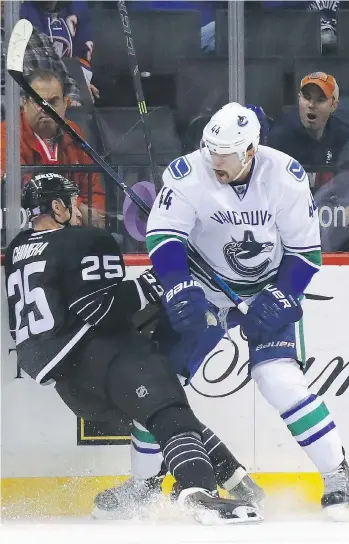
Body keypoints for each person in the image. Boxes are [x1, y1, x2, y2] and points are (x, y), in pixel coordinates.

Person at [4, 172, 260, 525]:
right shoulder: (86, 240)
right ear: (57, 206)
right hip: (100, 354)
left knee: (158, 412)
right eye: (74, 202)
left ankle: (233, 477)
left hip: (70, 384)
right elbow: (103, 311)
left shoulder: (17, 247)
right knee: (167, 403)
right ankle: (200, 493)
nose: (80, 210)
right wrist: (160, 279)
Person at [145, 102, 349, 520]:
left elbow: (306, 253)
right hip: (205, 287)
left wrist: (281, 296)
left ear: (251, 151)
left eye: (226, 154)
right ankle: (141, 484)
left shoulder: (285, 176)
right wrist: (178, 286)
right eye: (211, 150)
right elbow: (164, 235)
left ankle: (337, 475)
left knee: (278, 380)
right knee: (157, 383)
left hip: (266, 288)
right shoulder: (188, 172)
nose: (215, 161)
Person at [92, 302, 265, 519]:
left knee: (156, 406)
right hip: (192, 315)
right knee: (158, 408)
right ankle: (235, 478)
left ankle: (146, 486)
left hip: (188, 315)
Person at [0, 69, 105, 226]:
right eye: (38, 101)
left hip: (73, 233)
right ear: (25, 103)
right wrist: (75, 207)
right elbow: (24, 195)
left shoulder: (75, 134)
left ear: (65, 103)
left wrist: (92, 215)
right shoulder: (7, 135)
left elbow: (94, 196)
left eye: (53, 101)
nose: (46, 108)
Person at [268, 72, 349, 190]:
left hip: (333, 206)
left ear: (334, 105)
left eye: (320, 100)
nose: (311, 105)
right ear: (298, 98)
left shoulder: (344, 137)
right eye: (306, 97)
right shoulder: (279, 138)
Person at [20, 1, 99, 101]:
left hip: (72, 82)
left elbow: (82, 55)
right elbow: (32, 62)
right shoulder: (23, 9)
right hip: (40, 87)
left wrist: (81, 84)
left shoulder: (78, 7)